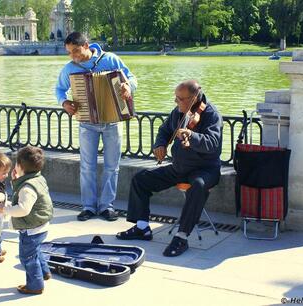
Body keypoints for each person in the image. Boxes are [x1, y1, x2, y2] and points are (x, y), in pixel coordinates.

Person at [116, 80, 222, 257]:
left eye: (180, 99)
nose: (176, 102)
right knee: (141, 179)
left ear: (194, 97)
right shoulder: (179, 112)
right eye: (176, 98)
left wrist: (192, 135)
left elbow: (212, 143)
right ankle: (142, 227)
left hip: (205, 170)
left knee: (198, 185)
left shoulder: (211, 114)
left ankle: (181, 237)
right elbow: (165, 130)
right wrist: (160, 144)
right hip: (180, 168)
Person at [55, 31, 137, 222]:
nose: (73, 56)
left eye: (76, 51)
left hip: (112, 120)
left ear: (86, 45)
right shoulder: (69, 69)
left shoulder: (110, 60)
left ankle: (107, 207)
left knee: (112, 167)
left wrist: (128, 87)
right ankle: (89, 207)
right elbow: (59, 89)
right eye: (69, 53)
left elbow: (132, 78)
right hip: (86, 123)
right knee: (87, 167)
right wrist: (64, 102)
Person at [0, 146, 53, 295]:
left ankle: (35, 285)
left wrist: (5, 210)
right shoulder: (37, 178)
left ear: (20, 166)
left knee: (27, 257)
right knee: (36, 251)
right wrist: (16, 180)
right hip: (41, 224)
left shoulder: (27, 188)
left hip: (31, 228)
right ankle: (45, 273)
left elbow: (23, 209)